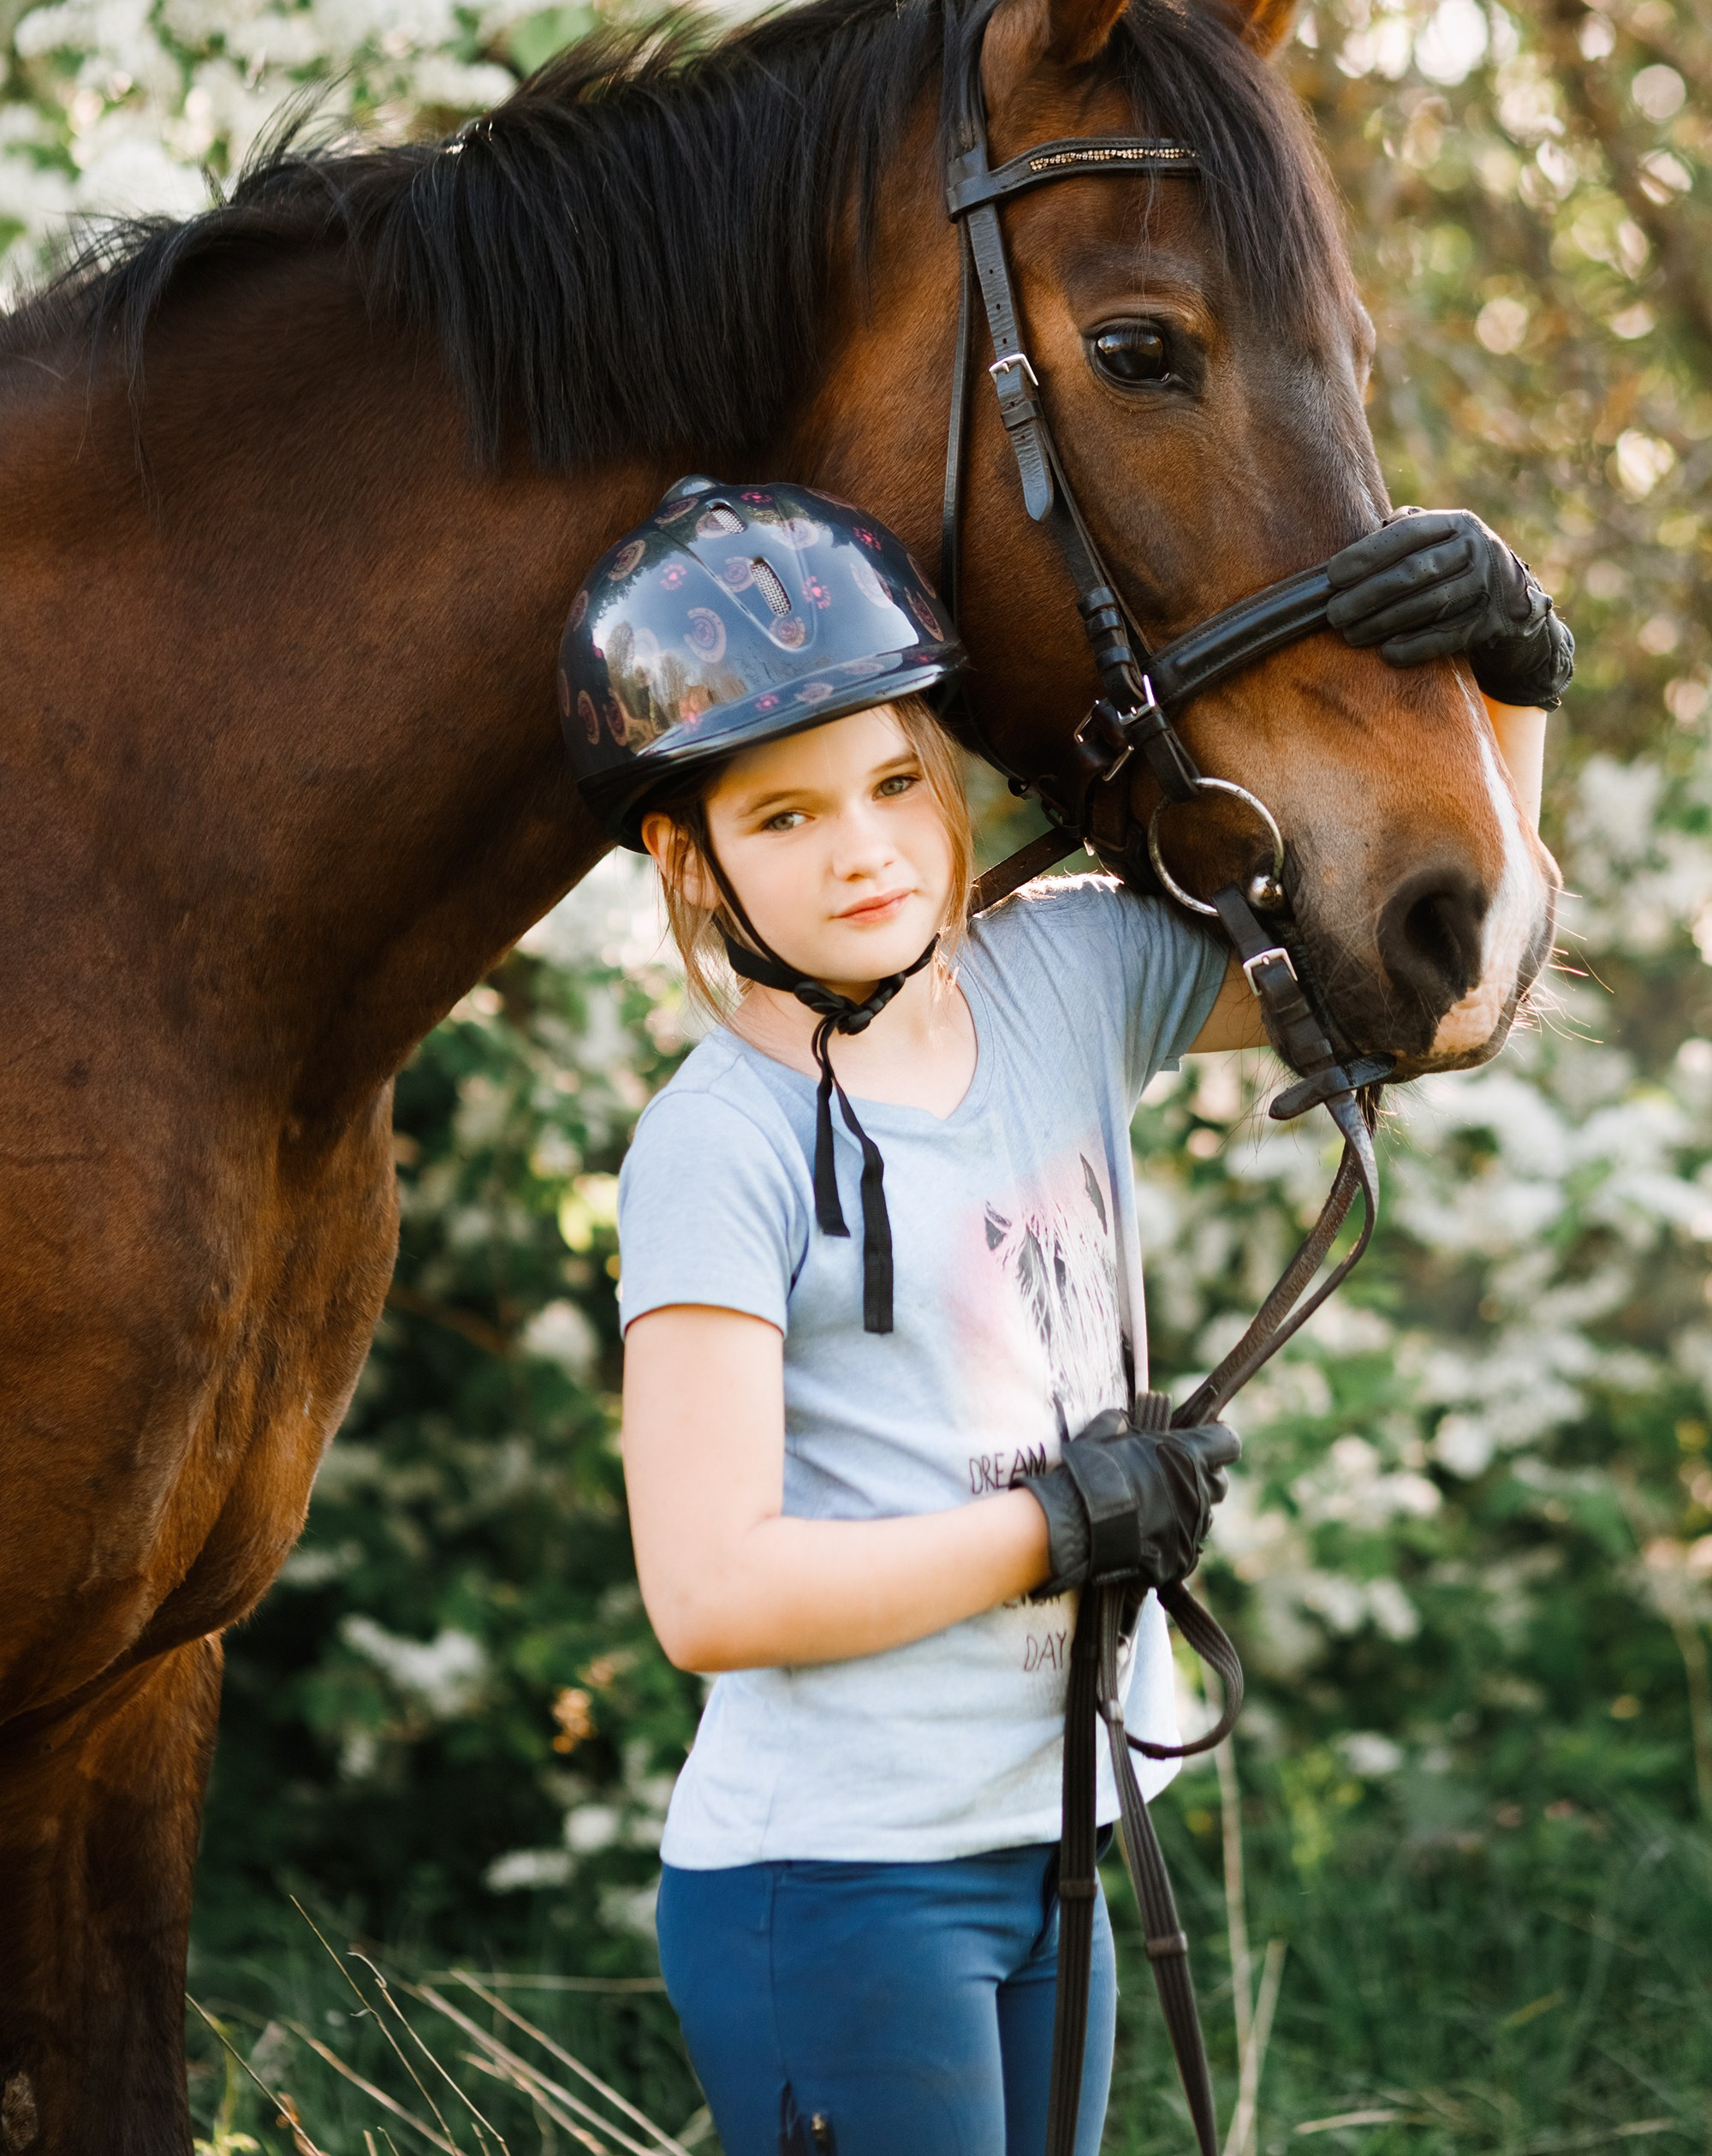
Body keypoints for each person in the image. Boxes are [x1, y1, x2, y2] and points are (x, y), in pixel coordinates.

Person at [556, 478, 1569, 2156]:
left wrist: (1509, 686)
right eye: (785, 817)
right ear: (689, 856)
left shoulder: (1063, 977)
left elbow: (1438, 1001)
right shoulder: (715, 1144)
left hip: (1056, 1840)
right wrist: (1052, 1527)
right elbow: (712, 1592)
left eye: (892, 780)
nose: (866, 847)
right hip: (839, 1884)